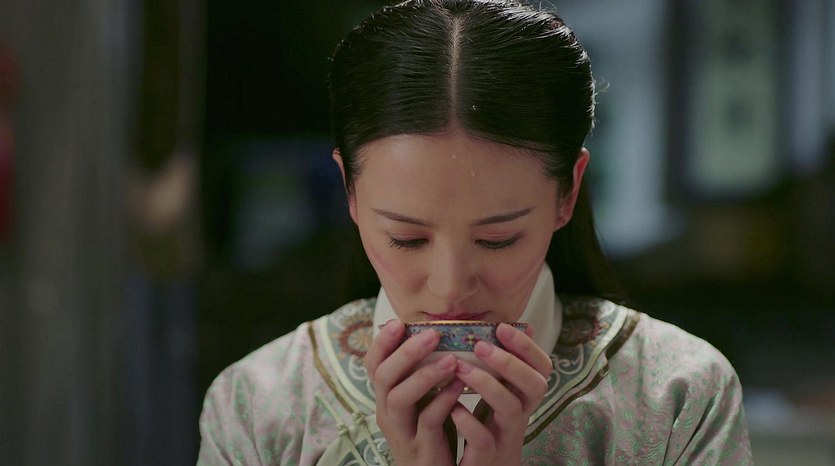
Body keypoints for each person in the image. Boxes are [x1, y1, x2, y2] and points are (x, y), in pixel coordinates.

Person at [197, 0, 753, 464]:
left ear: (567, 193)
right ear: (350, 193)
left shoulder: (677, 395)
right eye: (407, 239)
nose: (450, 289)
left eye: (497, 240)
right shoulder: (259, 405)